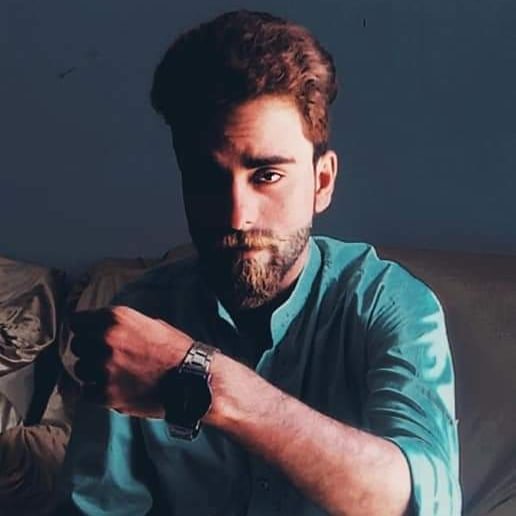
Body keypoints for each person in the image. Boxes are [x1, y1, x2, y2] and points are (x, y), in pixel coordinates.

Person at [59, 10, 461, 515]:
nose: (237, 215)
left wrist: (200, 378)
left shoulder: (389, 304)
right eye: (207, 179)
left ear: (322, 183)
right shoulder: (143, 314)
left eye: (267, 175)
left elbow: (425, 500)